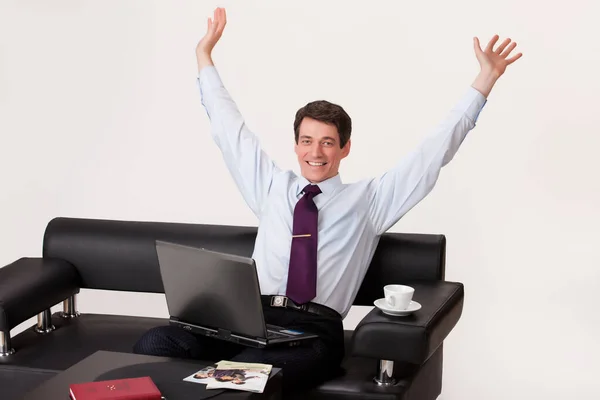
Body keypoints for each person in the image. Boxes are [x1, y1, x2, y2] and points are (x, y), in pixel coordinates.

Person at [133, 7, 522, 392]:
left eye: (327, 142)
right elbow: (228, 128)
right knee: (156, 343)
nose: (315, 152)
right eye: (306, 140)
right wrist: (205, 56)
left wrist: (484, 80)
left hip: (313, 332)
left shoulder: (370, 201)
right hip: (250, 320)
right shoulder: (270, 186)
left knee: (250, 372)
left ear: (344, 148)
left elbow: (433, 152)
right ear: (296, 144)